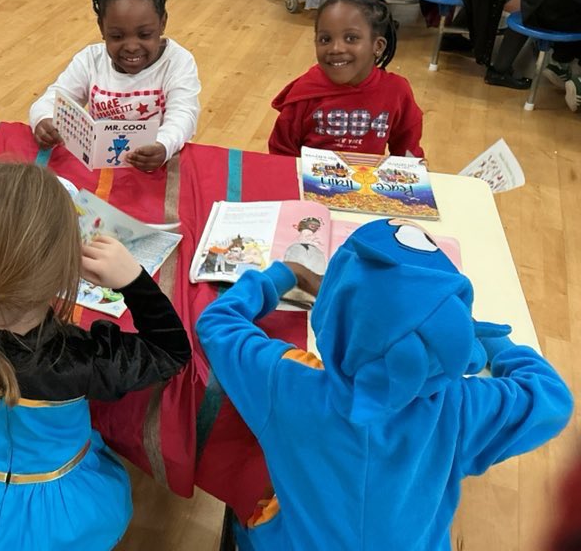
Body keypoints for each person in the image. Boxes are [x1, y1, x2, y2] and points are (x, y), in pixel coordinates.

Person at [196, 218, 573, 551]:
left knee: (251, 512)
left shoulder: (285, 383)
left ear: (328, 313)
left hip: (294, 543)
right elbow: (551, 396)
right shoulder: (461, 408)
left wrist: (284, 274)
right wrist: (486, 338)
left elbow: (217, 324)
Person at [0, 161, 192, 550]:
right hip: (59, 515)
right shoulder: (80, 358)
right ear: (68, 271)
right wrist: (134, 281)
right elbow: (171, 349)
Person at [29, 0, 201, 172]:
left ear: (162, 23)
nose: (131, 46)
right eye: (117, 36)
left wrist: (163, 145)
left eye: (144, 34)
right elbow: (51, 100)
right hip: (101, 171)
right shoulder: (89, 61)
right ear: (102, 28)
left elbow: (184, 115)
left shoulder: (178, 62)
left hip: (155, 169)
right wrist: (43, 119)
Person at [268, 0, 423, 157]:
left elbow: (408, 153)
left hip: (368, 174)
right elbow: (281, 153)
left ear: (377, 46)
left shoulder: (396, 91)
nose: (336, 49)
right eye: (325, 39)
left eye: (351, 38)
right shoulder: (304, 92)